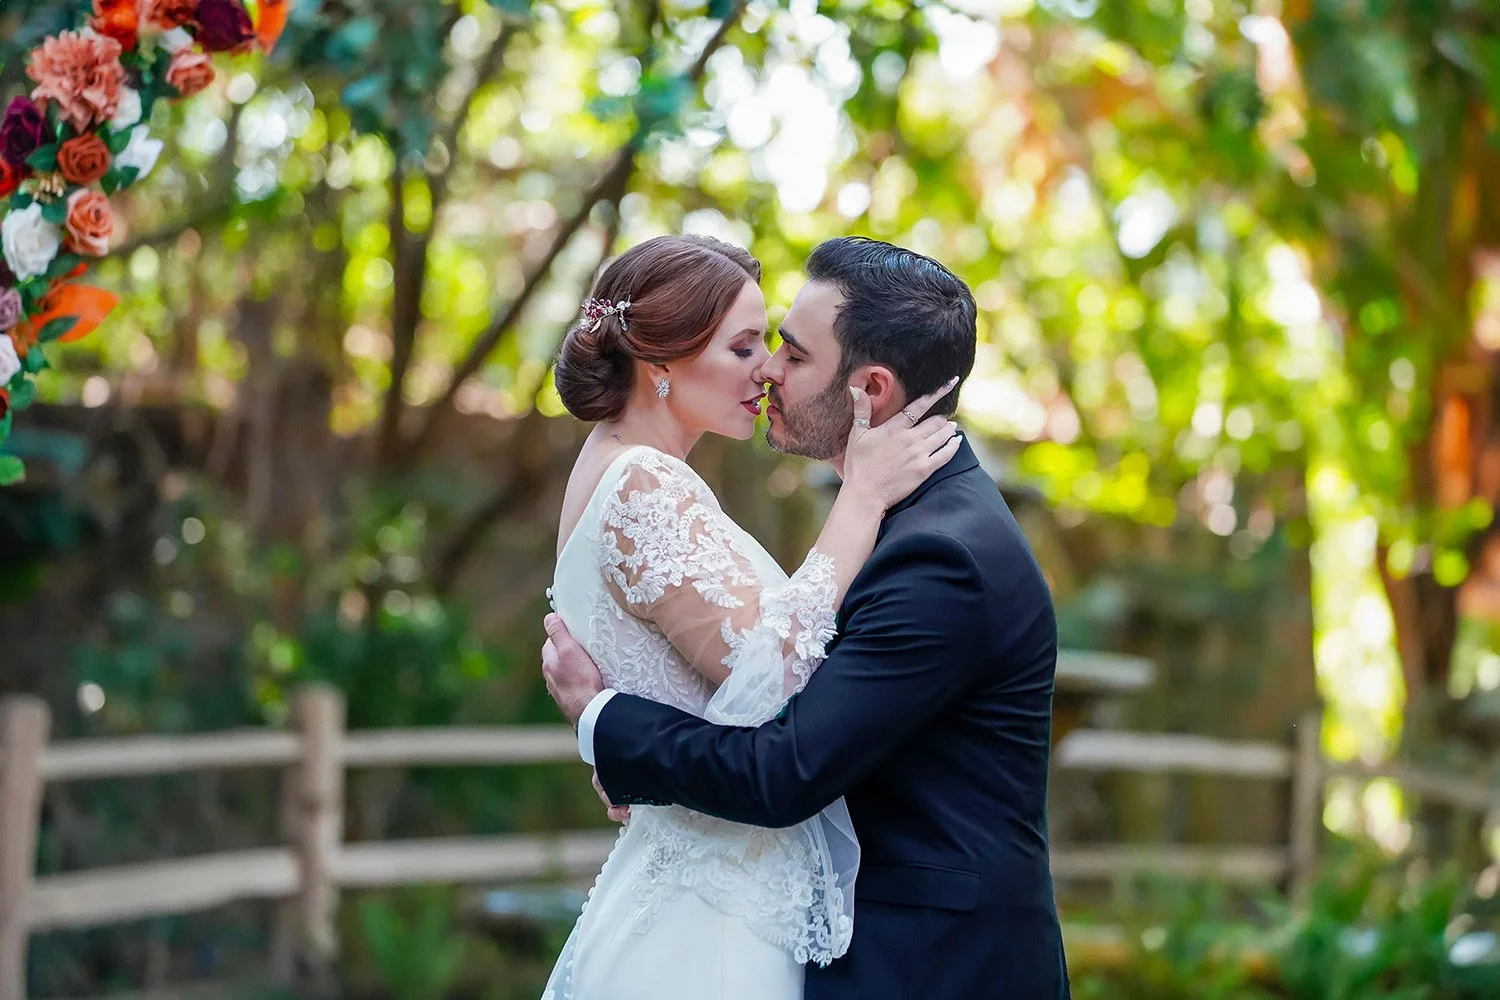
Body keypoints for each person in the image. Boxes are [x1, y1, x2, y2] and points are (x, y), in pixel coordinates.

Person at [543, 235, 1071, 1000]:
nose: (769, 372)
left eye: (790, 353)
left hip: (934, 966)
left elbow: (785, 764)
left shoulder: (942, 553)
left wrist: (611, 723)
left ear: (872, 390)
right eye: (754, 346)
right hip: (770, 928)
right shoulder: (884, 518)